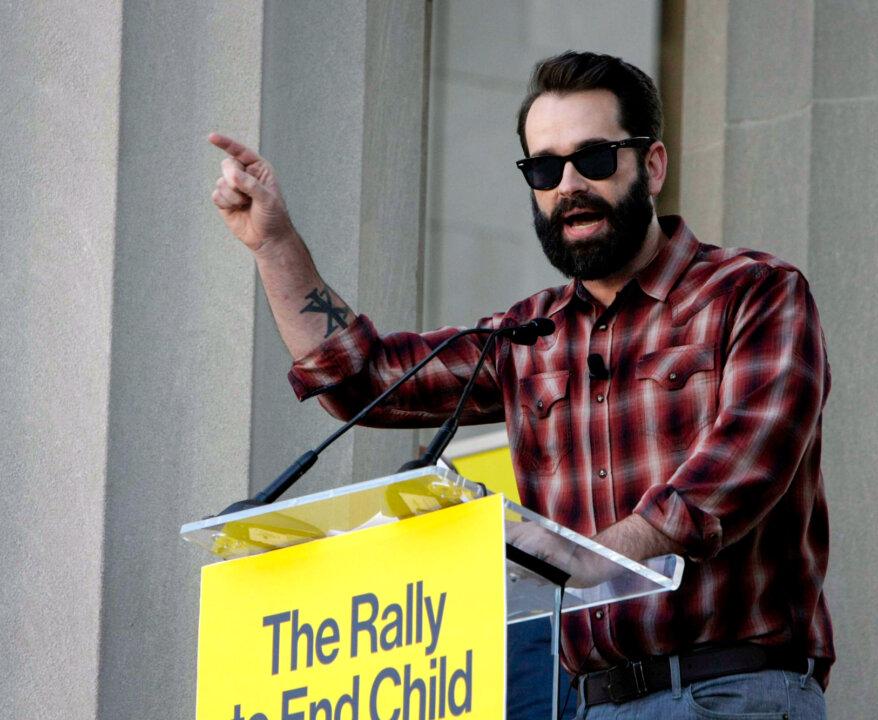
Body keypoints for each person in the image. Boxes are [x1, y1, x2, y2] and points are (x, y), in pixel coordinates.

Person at [209, 51, 833, 719]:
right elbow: (364, 382)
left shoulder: (754, 292)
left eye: (594, 159)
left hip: (728, 690)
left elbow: (748, 458)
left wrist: (596, 554)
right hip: (586, 702)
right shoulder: (527, 334)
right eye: (544, 168)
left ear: (652, 165)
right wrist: (274, 246)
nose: (569, 185)